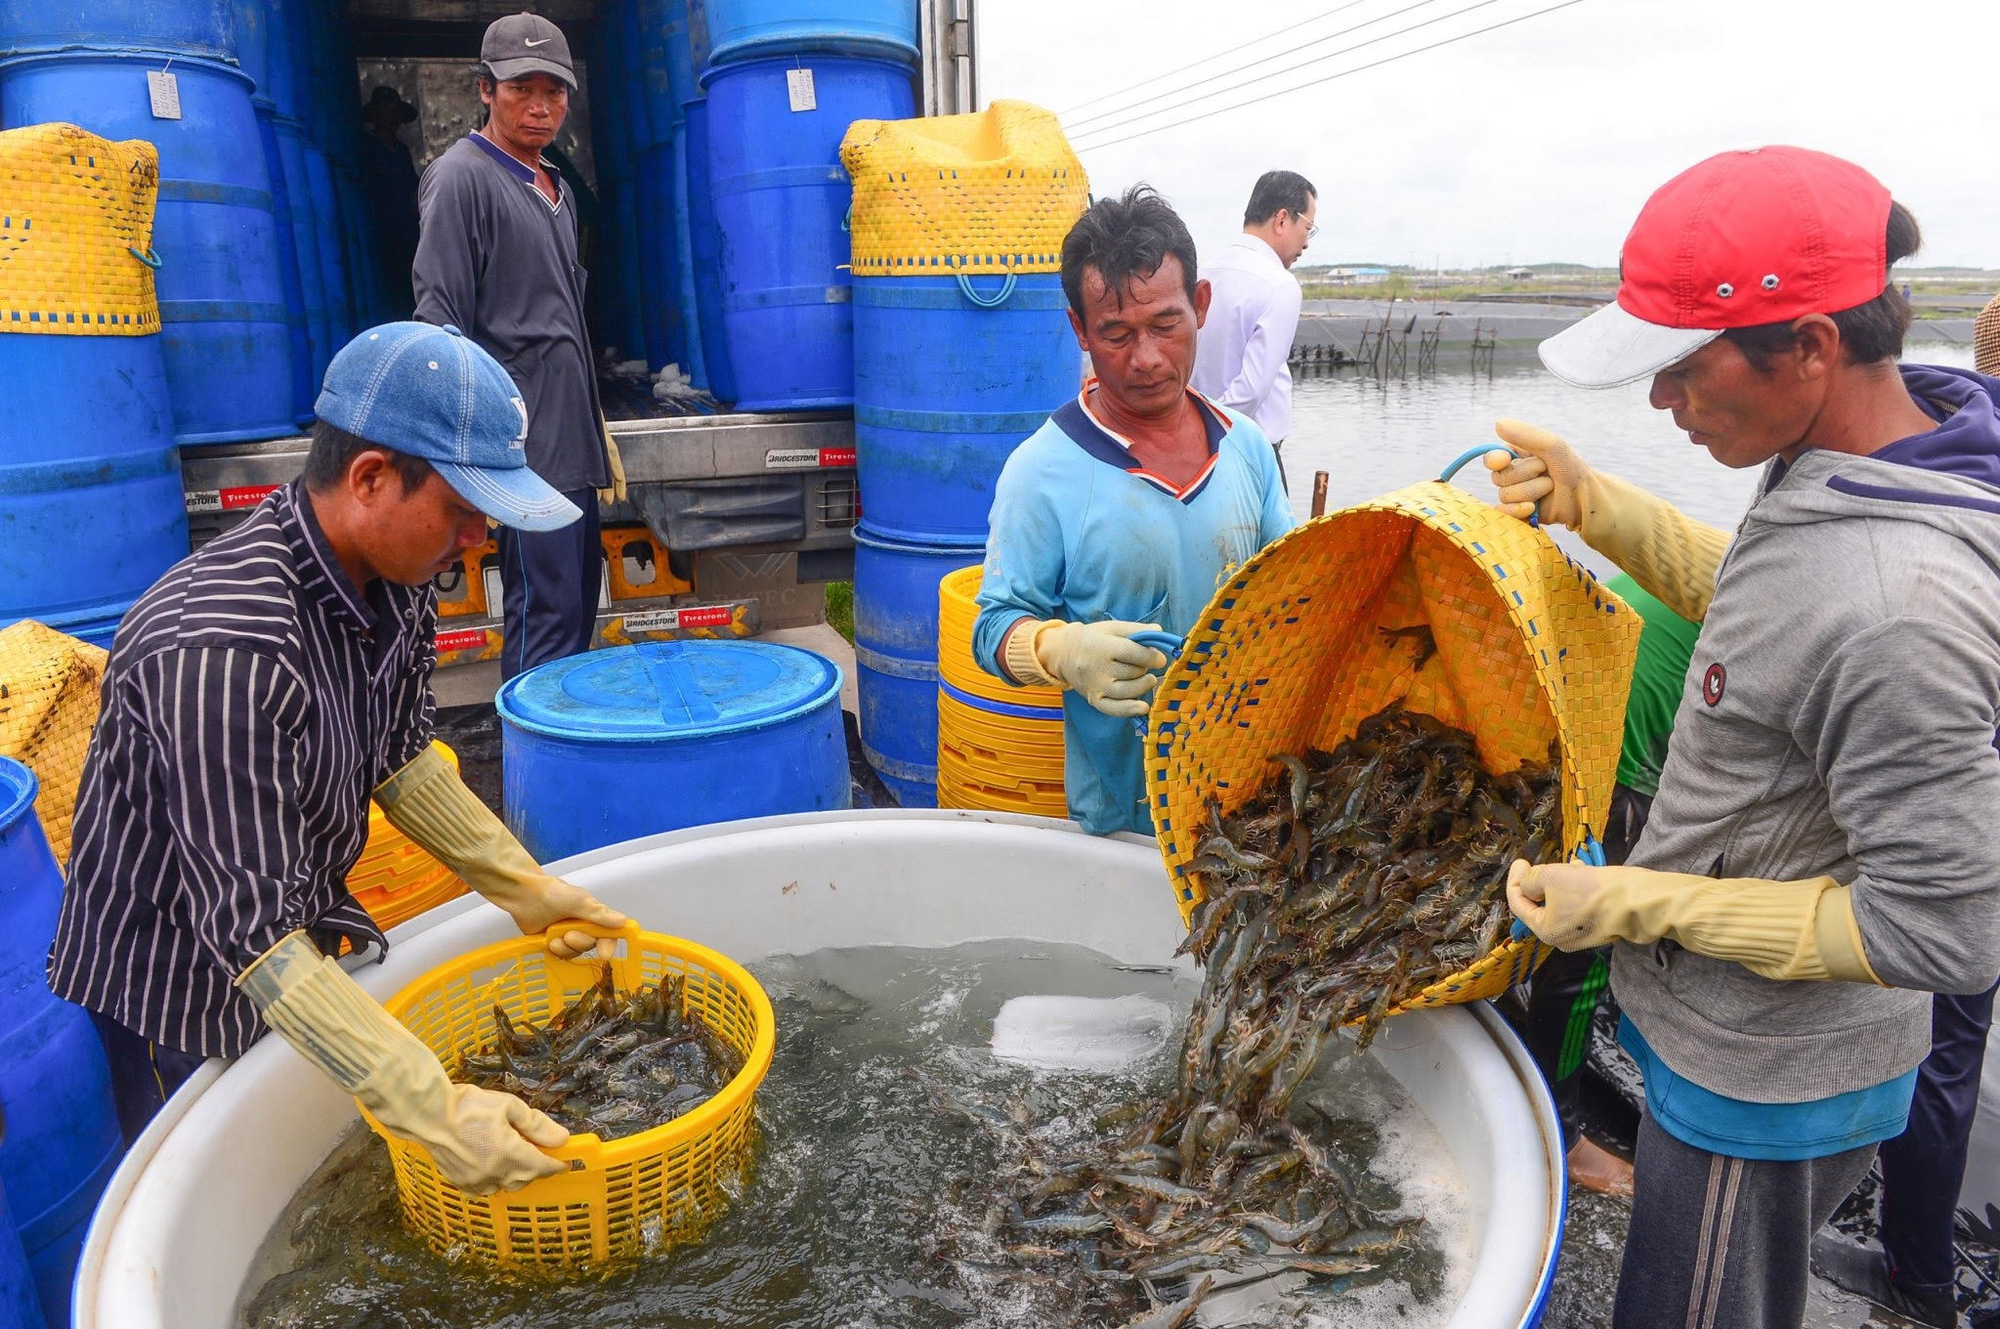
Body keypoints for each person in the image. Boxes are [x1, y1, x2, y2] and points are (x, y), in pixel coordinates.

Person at [1487, 146, 2000, 1329]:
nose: (1661, 401)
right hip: (1734, 1039)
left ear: (1811, 345)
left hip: (1760, 1085)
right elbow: (1783, 621)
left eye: (1679, 368)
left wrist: (1636, 904)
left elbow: (1944, 928)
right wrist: (1602, 510)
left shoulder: (1897, 603)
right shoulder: (1872, 457)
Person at [46, 322, 628, 1196]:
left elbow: (400, 758)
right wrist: (433, 1109)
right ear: (370, 479)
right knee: (228, 1187)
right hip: (181, 985)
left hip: (283, 926)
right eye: (465, 508)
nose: (479, 538)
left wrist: (523, 885)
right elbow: (253, 935)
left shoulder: (394, 579)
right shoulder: (224, 650)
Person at [972, 186, 1294, 836]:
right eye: (1116, 334)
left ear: (1200, 305)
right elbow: (991, 629)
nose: (1146, 358)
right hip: (1124, 818)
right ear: (1080, 331)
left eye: (1165, 324)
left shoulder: (1248, 449)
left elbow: (1295, 590)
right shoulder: (1041, 472)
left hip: (1255, 800)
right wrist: (1060, 649)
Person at [412, 11, 619, 681]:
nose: (539, 107)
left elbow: (560, 321)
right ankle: (532, 776)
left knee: (578, 607)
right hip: (524, 449)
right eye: (519, 88)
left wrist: (596, 426)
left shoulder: (556, 188)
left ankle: (564, 758)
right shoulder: (461, 178)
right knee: (544, 619)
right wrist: (471, 451)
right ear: (484, 89)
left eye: (553, 91)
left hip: (574, 443)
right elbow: (439, 320)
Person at [1518, 572, 1698, 1199]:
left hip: (1561, 708)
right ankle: (1561, 1139)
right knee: (1585, 955)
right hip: (1612, 758)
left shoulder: (1713, 558)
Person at [1190, 169, 1316, 488]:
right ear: (1283, 219)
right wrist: (1212, 432)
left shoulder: (1204, 272)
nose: (1306, 243)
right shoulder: (1279, 285)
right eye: (1308, 228)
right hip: (1250, 452)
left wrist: (1192, 432)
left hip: (1192, 447)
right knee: (1271, 540)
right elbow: (1251, 390)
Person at [360, 85, 421, 317]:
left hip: (406, 228)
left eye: (395, 111)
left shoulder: (402, 150)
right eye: (387, 110)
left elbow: (411, 186)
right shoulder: (368, 145)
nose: (392, 116)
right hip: (381, 227)